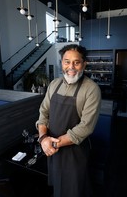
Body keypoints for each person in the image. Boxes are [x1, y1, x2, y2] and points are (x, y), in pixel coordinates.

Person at [36, 44, 101, 197]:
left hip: (74, 153)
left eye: (76, 62)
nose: (71, 66)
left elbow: (86, 127)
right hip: (52, 150)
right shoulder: (54, 85)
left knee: (74, 189)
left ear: (84, 64)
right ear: (61, 63)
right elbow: (43, 113)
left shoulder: (91, 89)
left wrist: (51, 143)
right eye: (66, 61)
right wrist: (43, 138)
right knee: (57, 186)